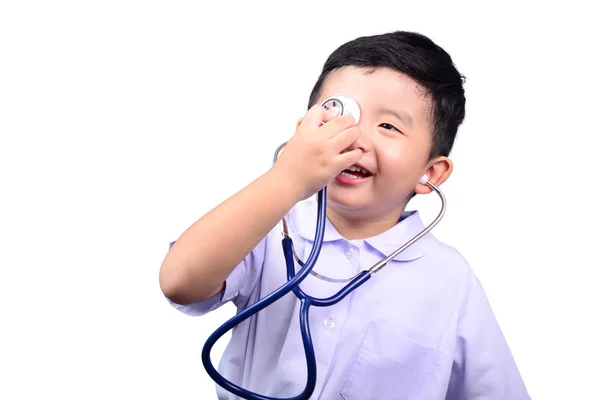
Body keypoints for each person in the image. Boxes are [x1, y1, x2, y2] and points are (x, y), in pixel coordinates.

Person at [159, 30, 530, 400]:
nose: (354, 138)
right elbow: (180, 281)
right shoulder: (268, 229)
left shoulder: (450, 280)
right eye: (339, 113)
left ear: (429, 173)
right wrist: (287, 177)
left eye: (388, 126)